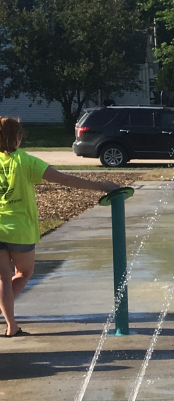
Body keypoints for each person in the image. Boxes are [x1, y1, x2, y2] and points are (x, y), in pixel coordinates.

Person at [0, 117, 121, 338]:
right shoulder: (26, 161)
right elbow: (63, 179)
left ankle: (10, 323)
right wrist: (100, 186)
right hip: (20, 229)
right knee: (23, 273)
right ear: (18, 137)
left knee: (2, 279)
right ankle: (10, 325)